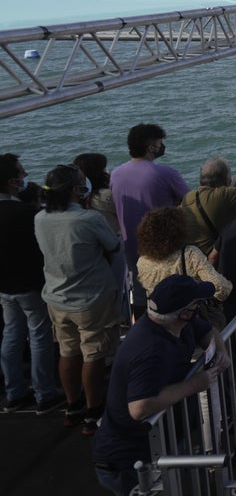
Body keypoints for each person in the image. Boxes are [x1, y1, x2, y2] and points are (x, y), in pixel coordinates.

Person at [91, 275, 230, 496]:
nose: (199, 308)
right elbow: (139, 408)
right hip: (132, 461)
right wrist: (195, 384)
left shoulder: (178, 322)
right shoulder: (150, 350)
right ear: (185, 312)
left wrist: (221, 350)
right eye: (197, 304)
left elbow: (208, 331)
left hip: (159, 444)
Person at [35, 163, 121, 433]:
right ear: (75, 189)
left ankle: (73, 405)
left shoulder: (40, 218)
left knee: (67, 351)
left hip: (56, 297)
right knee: (93, 352)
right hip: (91, 298)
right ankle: (94, 410)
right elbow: (113, 245)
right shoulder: (88, 219)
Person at [0, 153, 63, 414]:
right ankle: (44, 392)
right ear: (13, 181)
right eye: (22, 173)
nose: (26, 177)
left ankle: (14, 391)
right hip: (30, 283)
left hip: (4, 286)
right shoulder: (28, 213)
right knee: (39, 335)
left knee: (11, 334)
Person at [109, 123, 189, 313]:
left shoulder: (115, 174)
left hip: (131, 246)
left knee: (139, 292)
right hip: (163, 246)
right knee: (169, 293)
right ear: (151, 146)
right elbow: (191, 201)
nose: (162, 146)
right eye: (160, 142)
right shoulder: (166, 174)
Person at [135, 206, 231, 331]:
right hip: (187, 323)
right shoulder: (189, 254)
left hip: (158, 324)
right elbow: (220, 288)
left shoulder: (142, 261)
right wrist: (228, 284)